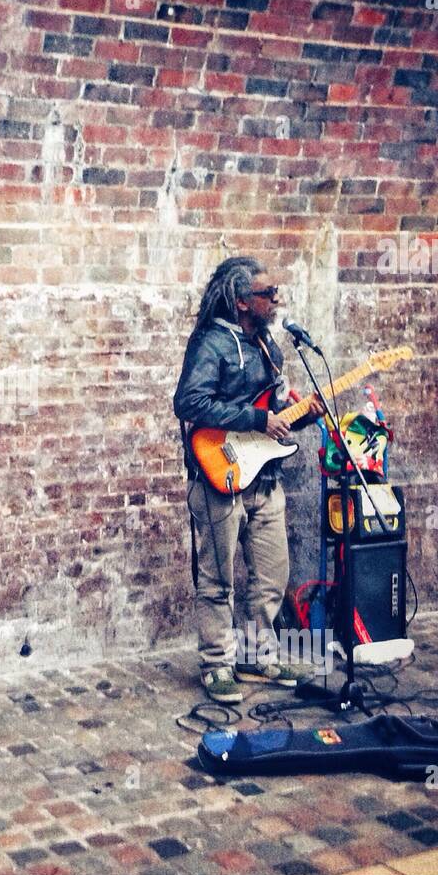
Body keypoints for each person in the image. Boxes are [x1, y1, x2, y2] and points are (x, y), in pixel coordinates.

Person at [173, 257, 326, 705]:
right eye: (268, 293)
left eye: (276, 292)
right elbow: (189, 402)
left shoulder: (268, 347)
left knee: (271, 575)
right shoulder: (211, 343)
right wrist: (259, 417)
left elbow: (274, 420)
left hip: (265, 476)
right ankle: (217, 664)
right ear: (242, 301)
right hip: (219, 476)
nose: (276, 299)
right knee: (218, 579)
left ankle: (259, 656)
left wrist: (298, 418)